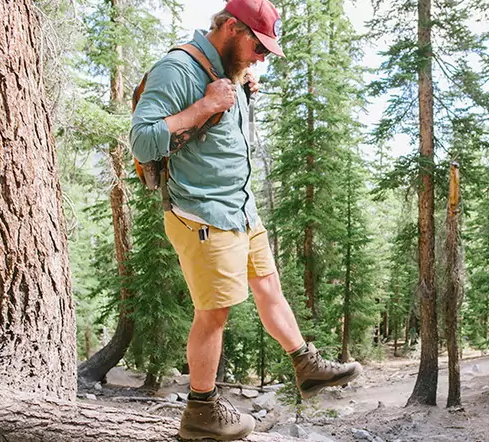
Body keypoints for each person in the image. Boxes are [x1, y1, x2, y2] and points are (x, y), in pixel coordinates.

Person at [130, 0, 362, 439]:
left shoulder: (228, 71)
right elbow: (142, 143)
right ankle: (200, 410)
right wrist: (205, 105)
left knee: (267, 285)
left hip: (240, 207)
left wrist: (234, 91)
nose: (261, 57)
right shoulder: (178, 69)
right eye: (258, 46)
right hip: (202, 212)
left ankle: (305, 364)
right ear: (233, 28)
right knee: (214, 314)